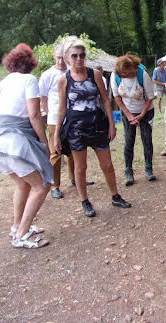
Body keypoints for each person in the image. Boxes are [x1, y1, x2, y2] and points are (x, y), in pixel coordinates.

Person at [0, 43, 53, 249]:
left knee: (23, 183)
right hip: (12, 142)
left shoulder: (4, 82)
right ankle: (21, 235)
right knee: (41, 186)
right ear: (30, 64)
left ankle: (16, 227)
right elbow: (34, 114)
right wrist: (44, 143)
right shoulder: (29, 80)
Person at [53, 36, 131, 218]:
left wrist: (112, 124)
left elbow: (105, 100)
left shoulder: (94, 74)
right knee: (81, 167)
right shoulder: (63, 80)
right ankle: (85, 201)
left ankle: (115, 196)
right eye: (74, 56)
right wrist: (56, 134)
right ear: (67, 57)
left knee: (107, 165)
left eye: (82, 55)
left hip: (98, 125)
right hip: (75, 129)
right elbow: (62, 108)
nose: (79, 59)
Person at [111, 54, 156, 185]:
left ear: (133, 68)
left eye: (127, 73)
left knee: (147, 140)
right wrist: (129, 115)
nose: (125, 76)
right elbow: (117, 97)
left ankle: (149, 169)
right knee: (129, 141)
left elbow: (150, 97)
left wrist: (141, 115)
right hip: (127, 112)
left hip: (146, 111)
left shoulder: (142, 74)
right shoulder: (115, 75)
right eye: (123, 74)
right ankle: (128, 171)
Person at [39, 42, 75, 200]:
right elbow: (43, 99)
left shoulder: (72, 71)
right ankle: (54, 185)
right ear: (54, 57)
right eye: (58, 58)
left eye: (63, 58)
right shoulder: (47, 75)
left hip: (72, 117)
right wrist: (50, 115)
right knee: (56, 152)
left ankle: (75, 178)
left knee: (74, 149)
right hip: (55, 119)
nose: (60, 61)